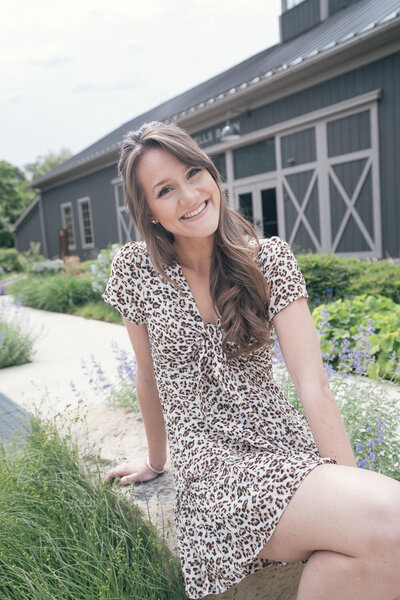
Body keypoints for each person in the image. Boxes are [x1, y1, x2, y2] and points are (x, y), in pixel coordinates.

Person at [101, 121, 400, 600]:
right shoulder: (136, 270)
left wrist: (350, 484)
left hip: (285, 448)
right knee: (391, 523)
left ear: (211, 174)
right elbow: (148, 377)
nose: (189, 195)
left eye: (194, 173)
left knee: (369, 547)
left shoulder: (271, 259)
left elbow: (311, 384)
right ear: (150, 212)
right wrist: (157, 461)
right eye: (165, 190)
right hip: (213, 469)